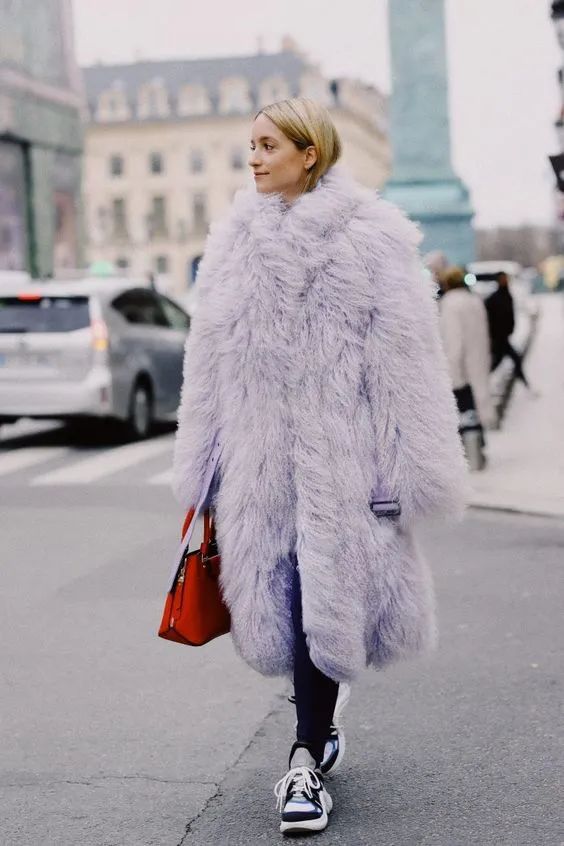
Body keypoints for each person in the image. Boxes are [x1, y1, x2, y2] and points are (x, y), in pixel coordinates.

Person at [172, 98, 467, 836]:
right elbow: (205, 367)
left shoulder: (372, 238)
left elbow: (408, 367)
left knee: (321, 602)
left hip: (344, 466)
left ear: (311, 153)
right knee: (281, 610)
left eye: (269, 144)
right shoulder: (232, 243)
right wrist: (204, 468)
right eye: (251, 144)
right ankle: (321, 721)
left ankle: (303, 759)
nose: (254, 158)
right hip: (260, 469)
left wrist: (406, 472)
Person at [438, 266, 497, 470]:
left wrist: (452, 371)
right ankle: (479, 448)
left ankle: (471, 456)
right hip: (478, 361)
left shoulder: (450, 305)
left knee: (465, 412)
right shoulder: (474, 300)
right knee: (477, 406)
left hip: (461, 367)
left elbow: (454, 340)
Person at [485, 271, 530, 388]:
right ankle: (525, 384)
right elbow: (488, 318)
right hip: (498, 338)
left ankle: (525, 383)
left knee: (501, 361)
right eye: (502, 279)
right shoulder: (493, 298)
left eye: (506, 279)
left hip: (503, 337)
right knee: (511, 360)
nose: (505, 281)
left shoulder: (507, 295)